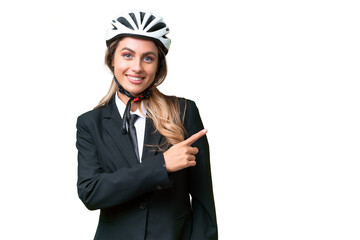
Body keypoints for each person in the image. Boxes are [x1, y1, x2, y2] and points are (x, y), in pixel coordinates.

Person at [76, 10, 217, 240]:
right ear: (112, 59)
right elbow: (91, 193)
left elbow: (204, 205)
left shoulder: (184, 112)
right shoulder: (90, 124)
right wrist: (161, 165)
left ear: (159, 65)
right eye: (127, 55)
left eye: (148, 58)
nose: (137, 67)